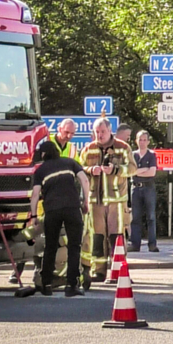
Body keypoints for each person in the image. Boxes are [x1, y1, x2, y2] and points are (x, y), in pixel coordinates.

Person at [28, 140, 90, 297]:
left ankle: (46, 284)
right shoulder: (70, 163)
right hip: (72, 208)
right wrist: (86, 202)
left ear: (43, 154)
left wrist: (34, 216)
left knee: (50, 246)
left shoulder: (40, 171)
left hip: (52, 210)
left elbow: (35, 195)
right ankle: (71, 285)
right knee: (75, 246)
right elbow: (85, 180)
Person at [78, 117, 132, 283]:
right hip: (96, 201)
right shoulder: (88, 149)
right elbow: (79, 169)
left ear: (110, 131)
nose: (99, 135)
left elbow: (132, 168)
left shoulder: (123, 148)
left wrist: (115, 169)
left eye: (102, 132)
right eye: (97, 132)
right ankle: (98, 271)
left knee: (117, 238)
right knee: (97, 238)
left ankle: (119, 271)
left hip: (116, 201)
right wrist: (89, 169)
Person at [129, 130, 159, 253]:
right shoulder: (132, 155)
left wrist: (138, 171)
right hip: (135, 187)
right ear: (136, 141)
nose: (142, 142)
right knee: (135, 217)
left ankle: (152, 244)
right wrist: (143, 170)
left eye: (144, 140)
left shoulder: (151, 155)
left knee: (151, 217)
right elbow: (130, 172)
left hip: (148, 188)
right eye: (140, 139)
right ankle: (135, 244)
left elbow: (152, 172)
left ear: (148, 141)